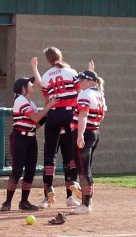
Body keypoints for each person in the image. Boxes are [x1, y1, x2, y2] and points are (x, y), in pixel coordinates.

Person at [30, 48, 82, 208]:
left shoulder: (47, 75)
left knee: (49, 155)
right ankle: (71, 190)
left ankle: (47, 195)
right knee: (71, 154)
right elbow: (80, 91)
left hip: (53, 115)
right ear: (60, 56)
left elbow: (42, 88)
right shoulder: (71, 72)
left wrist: (34, 68)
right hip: (69, 114)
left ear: (48, 60)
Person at [2, 78, 49, 212]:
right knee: (17, 170)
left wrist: (47, 114)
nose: (32, 84)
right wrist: (48, 107)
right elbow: (35, 117)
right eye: (29, 83)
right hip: (19, 137)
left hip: (31, 138)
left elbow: (36, 124)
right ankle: (7, 202)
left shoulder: (31, 103)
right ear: (23, 87)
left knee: (30, 170)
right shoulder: (20, 100)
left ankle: (24, 201)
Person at [71, 69, 107, 214]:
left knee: (84, 170)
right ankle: (87, 201)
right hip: (94, 131)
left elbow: (83, 115)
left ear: (90, 82)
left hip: (86, 132)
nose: (80, 82)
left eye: (82, 80)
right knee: (86, 168)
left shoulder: (85, 94)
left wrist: (80, 135)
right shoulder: (99, 94)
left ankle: (86, 205)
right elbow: (101, 116)